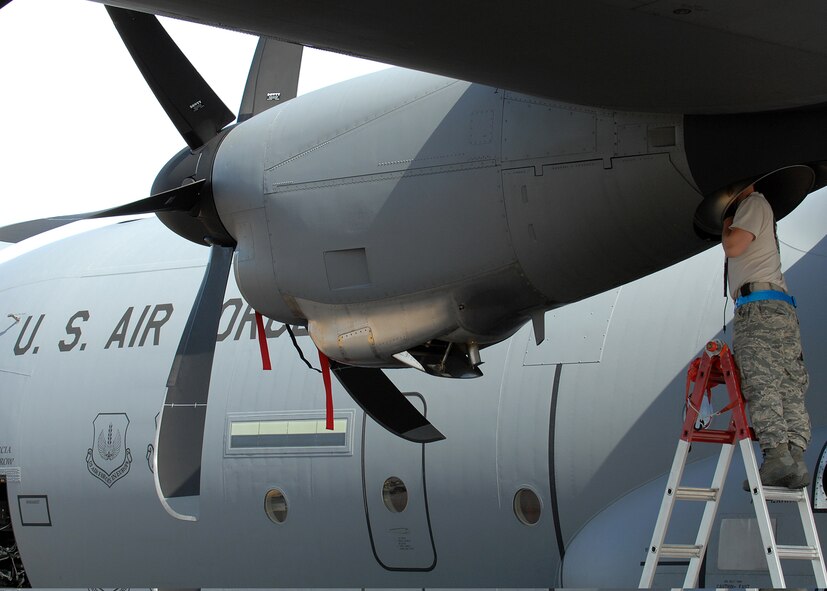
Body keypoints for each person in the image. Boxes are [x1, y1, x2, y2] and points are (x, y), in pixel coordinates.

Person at [722, 183, 810, 489]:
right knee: (788, 383)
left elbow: (733, 246)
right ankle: (794, 459)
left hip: (757, 308)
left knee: (762, 380)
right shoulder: (761, 208)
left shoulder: (752, 204)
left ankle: (776, 457)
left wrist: (725, 224)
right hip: (778, 307)